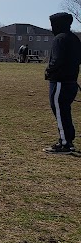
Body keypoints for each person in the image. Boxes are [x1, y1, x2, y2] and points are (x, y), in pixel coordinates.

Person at [43, 12, 81, 154]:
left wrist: (49, 71)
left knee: (60, 111)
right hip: (71, 81)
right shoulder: (74, 38)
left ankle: (65, 143)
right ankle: (67, 140)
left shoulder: (60, 39)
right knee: (65, 111)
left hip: (60, 82)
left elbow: (56, 60)